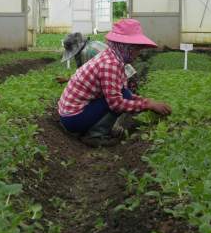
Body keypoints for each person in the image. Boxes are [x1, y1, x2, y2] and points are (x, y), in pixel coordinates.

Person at [58, 19, 172, 147]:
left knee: (124, 93)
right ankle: (95, 135)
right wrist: (147, 105)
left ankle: (96, 129)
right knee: (118, 99)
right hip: (73, 118)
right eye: (136, 49)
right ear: (125, 47)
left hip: (72, 113)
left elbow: (123, 93)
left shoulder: (112, 57)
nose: (138, 53)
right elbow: (116, 104)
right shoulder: (110, 64)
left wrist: (147, 101)